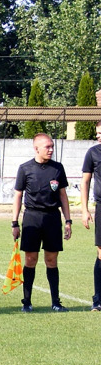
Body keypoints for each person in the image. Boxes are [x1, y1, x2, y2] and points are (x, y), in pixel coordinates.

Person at [12, 134, 71, 312]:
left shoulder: (57, 168)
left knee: (51, 260)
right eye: (47, 147)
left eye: (52, 146)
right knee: (30, 259)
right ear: (36, 148)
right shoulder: (25, 168)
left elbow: (62, 195)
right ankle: (27, 302)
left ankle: (56, 302)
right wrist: (14, 223)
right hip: (32, 218)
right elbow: (18, 195)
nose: (51, 150)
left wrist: (68, 221)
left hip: (52, 218)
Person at [80, 121, 101, 310]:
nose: (98, 136)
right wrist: (85, 209)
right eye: (97, 133)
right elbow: (85, 182)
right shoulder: (93, 153)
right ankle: (98, 299)